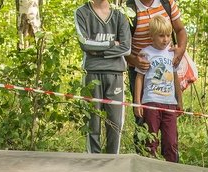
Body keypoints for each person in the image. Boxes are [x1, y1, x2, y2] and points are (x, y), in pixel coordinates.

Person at [75, 0, 131, 155]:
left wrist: (99, 52)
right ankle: (93, 160)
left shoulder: (120, 16)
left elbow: (126, 48)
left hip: (116, 74)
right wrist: (112, 43)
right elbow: (85, 44)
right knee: (93, 122)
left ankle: (113, 160)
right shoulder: (82, 12)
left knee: (115, 123)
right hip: (92, 73)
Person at [133, 15, 182, 162]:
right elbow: (139, 78)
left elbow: (175, 77)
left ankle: (172, 171)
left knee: (171, 142)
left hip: (169, 104)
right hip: (151, 102)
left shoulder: (172, 53)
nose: (165, 39)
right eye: (161, 36)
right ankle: (150, 169)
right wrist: (137, 102)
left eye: (168, 35)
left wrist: (179, 100)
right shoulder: (146, 53)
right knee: (151, 140)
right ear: (152, 36)